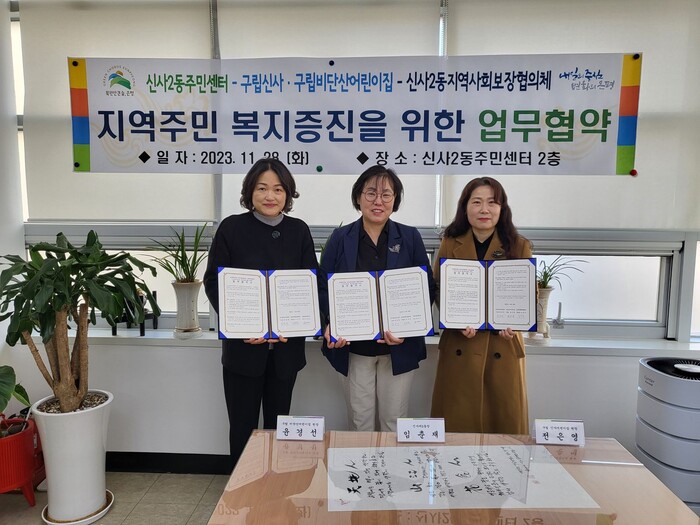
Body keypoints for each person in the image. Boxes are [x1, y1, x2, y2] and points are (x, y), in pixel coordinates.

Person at [203, 158, 318, 470]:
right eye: (262, 188)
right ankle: (241, 488)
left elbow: (310, 284)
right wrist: (242, 327)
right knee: (242, 426)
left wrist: (296, 323)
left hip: (286, 350)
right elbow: (214, 281)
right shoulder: (231, 228)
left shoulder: (298, 231)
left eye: (278, 189)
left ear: (288, 194)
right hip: (243, 350)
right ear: (250, 192)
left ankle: (273, 485)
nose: (270, 196)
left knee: (279, 424)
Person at [320, 165, 436, 432]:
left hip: (398, 346)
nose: (378, 201)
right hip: (354, 347)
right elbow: (323, 285)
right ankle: (361, 463)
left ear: (395, 200)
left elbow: (426, 287)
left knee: (393, 422)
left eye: (386, 194)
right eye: (371, 193)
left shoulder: (410, 237)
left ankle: (390, 463)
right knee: (359, 422)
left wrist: (408, 326)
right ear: (358, 197)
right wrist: (331, 322)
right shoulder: (340, 238)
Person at [431, 176, 531, 435]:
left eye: (492, 202)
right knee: (457, 429)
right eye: (476, 202)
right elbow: (439, 289)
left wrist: (515, 324)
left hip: (503, 346)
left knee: (505, 430)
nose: (484, 209)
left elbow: (526, 295)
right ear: (465, 207)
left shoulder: (519, 245)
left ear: (502, 208)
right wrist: (454, 320)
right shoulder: (450, 243)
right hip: (460, 344)